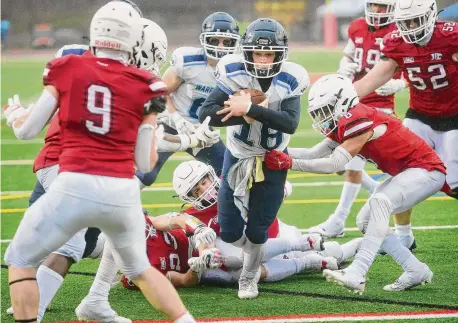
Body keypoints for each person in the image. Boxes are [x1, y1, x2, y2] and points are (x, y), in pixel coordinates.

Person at [3, 2, 196, 323]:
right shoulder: (147, 86)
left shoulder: (67, 67)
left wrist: (14, 116)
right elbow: (143, 163)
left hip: (74, 181)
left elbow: (26, 131)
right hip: (120, 190)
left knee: (21, 258)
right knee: (140, 270)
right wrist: (175, 139)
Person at [264, 74, 446, 294]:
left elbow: (335, 164)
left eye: (326, 109)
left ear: (342, 102)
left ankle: (357, 271)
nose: (323, 116)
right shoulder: (345, 121)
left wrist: (290, 163)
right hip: (407, 172)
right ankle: (414, 269)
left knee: (380, 202)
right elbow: (313, 153)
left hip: (427, 171)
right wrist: (275, 151)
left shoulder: (358, 117)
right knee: (365, 220)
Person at [198, 17, 309, 299]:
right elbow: (206, 114)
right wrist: (238, 110)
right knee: (231, 231)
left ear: (279, 54)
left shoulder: (290, 78)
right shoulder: (233, 72)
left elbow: (290, 123)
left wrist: (250, 107)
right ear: (246, 52)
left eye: (268, 53)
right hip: (237, 156)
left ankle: (249, 277)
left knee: (259, 231)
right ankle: (262, 256)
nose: (261, 59)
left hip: (273, 159)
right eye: (257, 53)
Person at [308, 0, 413, 250]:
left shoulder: (398, 32)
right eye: (373, 6)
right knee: (343, 165)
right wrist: (345, 66)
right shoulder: (357, 27)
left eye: (381, 7)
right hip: (352, 100)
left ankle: (339, 220)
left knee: (351, 164)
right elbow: (347, 55)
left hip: (380, 106)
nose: (376, 11)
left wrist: (400, 84)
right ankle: (372, 193)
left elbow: (413, 67)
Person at [135, 12, 240, 188]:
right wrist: (176, 118)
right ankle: (119, 209)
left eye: (226, 42)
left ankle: (224, 214)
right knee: (146, 173)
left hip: (201, 131)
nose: (221, 46)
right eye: (215, 40)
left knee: (230, 174)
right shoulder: (188, 62)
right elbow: (160, 92)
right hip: (170, 124)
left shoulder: (233, 70)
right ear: (204, 39)